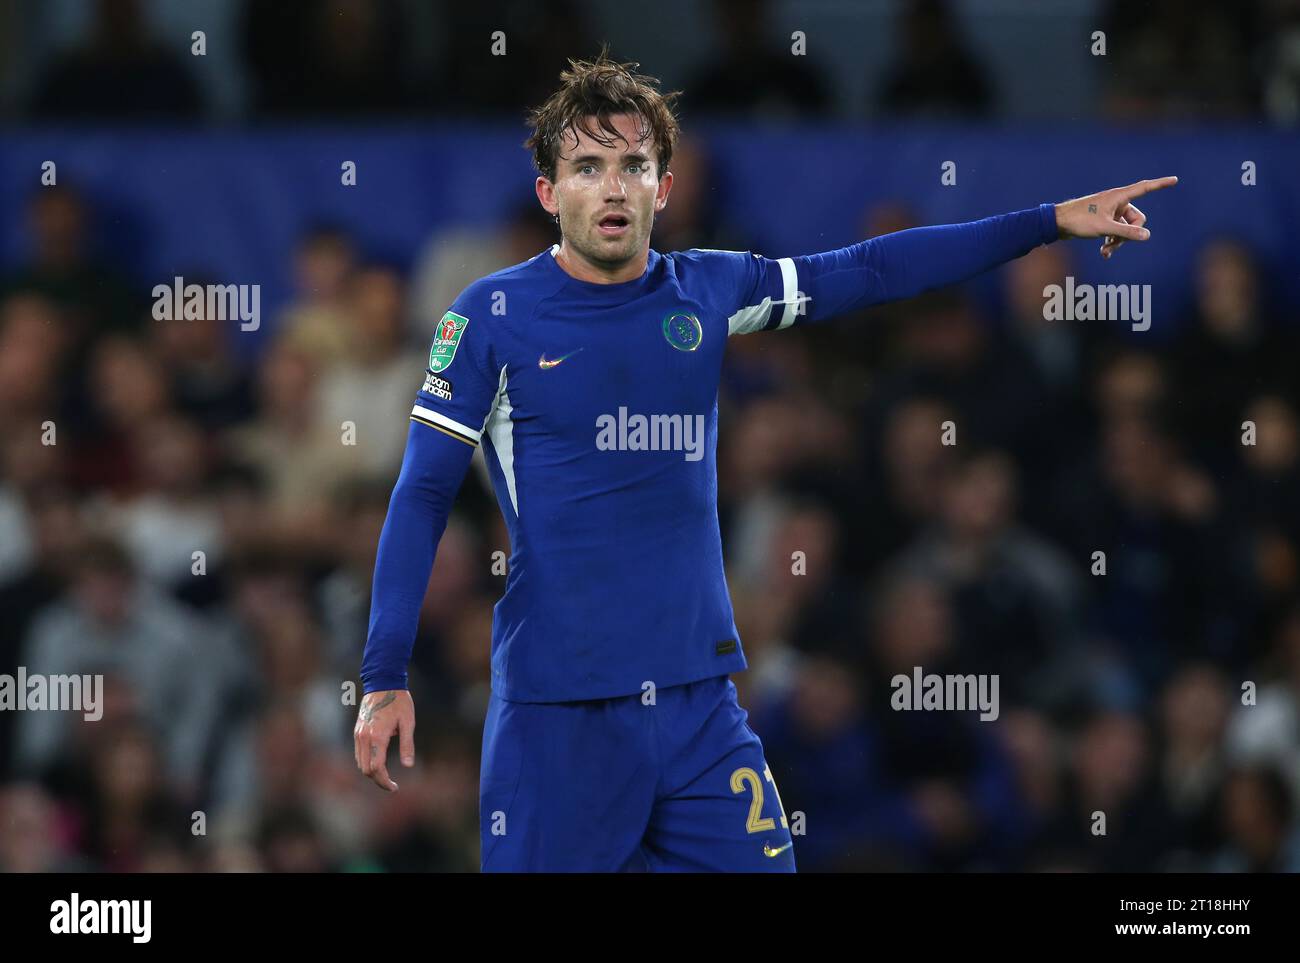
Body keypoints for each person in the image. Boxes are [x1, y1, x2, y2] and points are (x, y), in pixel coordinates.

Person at [353, 49, 1177, 872]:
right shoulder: (489, 317)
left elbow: (874, 267)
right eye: (588, 166)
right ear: (549, 192)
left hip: (699, 707)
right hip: (561, 712)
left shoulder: (708, 290)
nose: (612, 187)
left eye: (633, 164)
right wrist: (384, 673)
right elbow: (422, 493)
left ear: (663, 189)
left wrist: (1050, 221)